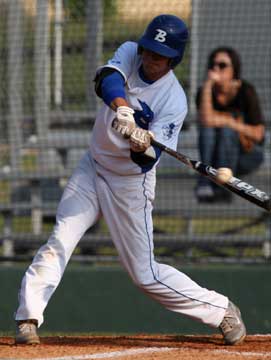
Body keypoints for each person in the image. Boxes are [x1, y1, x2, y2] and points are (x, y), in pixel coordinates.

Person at [14, 15, 246, 346]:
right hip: (92, 168)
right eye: (149, 50)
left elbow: (146, 163)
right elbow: (106, 80)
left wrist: (141, 144)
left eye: (159, 54)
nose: (150, 58)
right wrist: (123, 109)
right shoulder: (130, 51)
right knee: (59, 240)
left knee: (145, 275)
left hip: (129, 185)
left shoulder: (174, 101)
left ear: (173, 59)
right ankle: (27, 318)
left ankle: (220, 309)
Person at [195, 47, 265, 203]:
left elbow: (258, 134)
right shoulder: (204, 92)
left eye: (222, 65)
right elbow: (206, 120)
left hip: (246, 156)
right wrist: (208, 85)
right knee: (207, 131)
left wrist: (229, 122)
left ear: (234, 69)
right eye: (212, 65)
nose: (216, 69)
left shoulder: (246, 91)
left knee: (227, 131)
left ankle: (224, 187)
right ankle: (205, 181)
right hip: (214, 159)